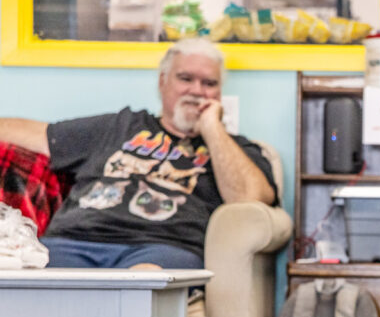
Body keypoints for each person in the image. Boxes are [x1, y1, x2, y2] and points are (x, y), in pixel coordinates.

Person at [0, 37, 277, 272]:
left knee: (142, 282)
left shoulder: (235, 149)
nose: (196, 91)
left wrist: (212, 128)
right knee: (25, 279)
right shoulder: (121, 126)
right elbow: (38, 134)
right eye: (185, 79)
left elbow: (249, 199)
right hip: (73, 241)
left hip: (161, 248)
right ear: (162, 82)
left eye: (209, 84)